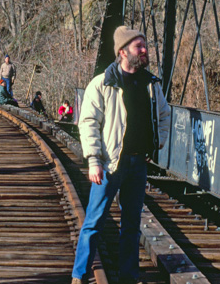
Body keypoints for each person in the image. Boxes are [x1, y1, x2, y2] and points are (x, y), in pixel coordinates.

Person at [71, 26, 170, 284]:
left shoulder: (151, 84)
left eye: (144, 45)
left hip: (138, 162)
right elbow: (88, 122)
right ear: (123, 52)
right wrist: (93, 160)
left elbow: (164, 115)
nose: (145, 50)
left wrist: (157, 143)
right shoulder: (103, 83)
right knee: (94, 221)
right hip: (109, 164)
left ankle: (128, 277)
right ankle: (79, 275)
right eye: (139, 46)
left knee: (131, 225)